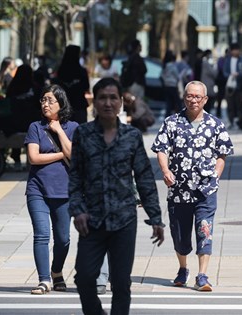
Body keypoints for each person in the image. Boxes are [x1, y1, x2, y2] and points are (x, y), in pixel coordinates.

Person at [69, 77, 165, 314]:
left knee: (121, 283)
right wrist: (77, 210)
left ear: (121, 102)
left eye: (113, 98)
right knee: (84, 278)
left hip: (124, 220)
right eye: (102, 97)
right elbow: (74, 178)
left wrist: (155, 217)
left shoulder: (132, 136)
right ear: (95, 102)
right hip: (92, 221)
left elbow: (144, 177)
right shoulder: (83, 134)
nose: (108, 103)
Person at [151, 81, 234, 292]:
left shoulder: (215, 124)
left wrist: (216, 175)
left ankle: (202, 275)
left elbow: (222, 153)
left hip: (206, 190)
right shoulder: (172, 122)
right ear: (184, 97)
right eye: (189, 96)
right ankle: (183, 268)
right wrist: (165, 170)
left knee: (205, 230)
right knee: (180, 235)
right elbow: (161, 149)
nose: (193, 100)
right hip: (179, 191)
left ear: (205, 99)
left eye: (198, 96)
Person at [24, 84, 79, 294]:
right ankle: (44, 279)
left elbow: (75, 156)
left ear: (60, 103)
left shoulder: (73, 127)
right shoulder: (35, 127)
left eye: (50, 100)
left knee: (64, 239)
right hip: (37, 189)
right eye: (43, 100)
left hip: (64, 191)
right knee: (42, 235)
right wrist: (60, 155)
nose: (45, 104)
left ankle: (57, 272)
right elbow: (34, 158)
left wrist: (58, 131)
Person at [6, 63, 42, 169]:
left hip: (14, 122)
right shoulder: (35, 87)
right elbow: (39, 104)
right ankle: (28, 159)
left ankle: (16, 156)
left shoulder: (12, 86)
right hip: (31, 122)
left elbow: (8, 102)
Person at [55, 45, 90, 124]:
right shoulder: (82, 72)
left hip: (63, 106)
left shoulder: (60, 72)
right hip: (79, 106)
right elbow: (86, 86)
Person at [223, 43, 242, 129]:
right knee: (230, 104)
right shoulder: (228, 60)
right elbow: (224, 72)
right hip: (229, 85)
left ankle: (240, 121)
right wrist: (230, 75)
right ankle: (231, 121)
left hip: (239, 85)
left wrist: (239, 74)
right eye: (235, 50)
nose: (237, 52)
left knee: (240, 104)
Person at [160, 49, 181, 116]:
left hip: (166, 86)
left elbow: (161, 76)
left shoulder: (164, 66)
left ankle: (167, 116)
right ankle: (179, 116)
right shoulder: (172, 66)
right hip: (173, 85)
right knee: (177, 103)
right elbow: (177, 76)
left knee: (168, 103)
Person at [200, 49, 218, 115]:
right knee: (208, 101)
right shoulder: (206, 63)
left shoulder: (204, 62)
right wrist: (216, 66)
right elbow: (214, 73)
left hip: (205, 83)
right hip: (207, 84)